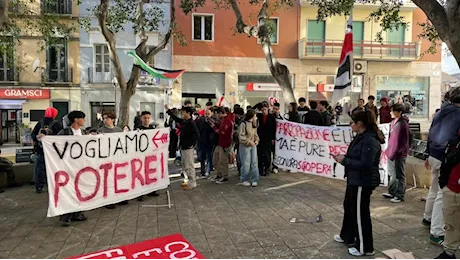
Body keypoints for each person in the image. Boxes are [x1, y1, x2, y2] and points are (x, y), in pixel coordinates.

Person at [333, 110, 384, 257]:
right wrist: (343, 158)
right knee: (349, 207)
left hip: (363, 181)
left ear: (360, 124)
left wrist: (345, 160)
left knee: (360, 213)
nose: (350, 125)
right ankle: (347, 236)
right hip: (355, 179)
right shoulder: (361, 136)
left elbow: (365, 164)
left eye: (352, 122)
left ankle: (365, 247)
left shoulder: (369, 140)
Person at [423, 87, 460, 246]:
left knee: (434, 189)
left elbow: (431, 132)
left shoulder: (440, 112)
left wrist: (427, 154)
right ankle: (437, 232)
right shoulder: (458, 114)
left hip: (434, 154)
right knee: (441, 194)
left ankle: (428, 218)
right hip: (444, 156)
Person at [57, 110, 88, 227]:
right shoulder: (64, 132)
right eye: (82, 118)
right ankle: (65, 217)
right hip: (67, 167)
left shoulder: (84, 133)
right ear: (76, 119)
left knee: (79, 191)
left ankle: (77, 213)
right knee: (67, 191)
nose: (84, 120)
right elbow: (55, 144)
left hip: (80, 167)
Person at [433, 130, 460, 260]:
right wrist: (444, 184)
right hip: (452, 188)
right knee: (451, 225)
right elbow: (446, 161)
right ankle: (449, 253)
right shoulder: (455, 138)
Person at [166, 105, 200, 190]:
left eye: (184, 112)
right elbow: (177, 119)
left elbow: (197, 135)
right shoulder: (185, 121)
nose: (182, 113)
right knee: (185, 165)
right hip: (183, 146)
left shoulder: (191, 123)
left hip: (188, 147)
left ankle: (193, 183)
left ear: (188, 113)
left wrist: (191, 143)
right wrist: (169, 111)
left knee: (189, 165)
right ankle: (188, 180)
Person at [97, 111, 127, 209]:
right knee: (108, 180)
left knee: (117, 178)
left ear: (113, 119)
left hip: (117, 158)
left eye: (107, 118)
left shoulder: (118, 130)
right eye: (104, 118)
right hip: (106, 158)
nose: (105, 120)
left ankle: (118, 197)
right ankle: (108, 200)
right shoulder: (100, 130)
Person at [382, 104, 410, 203]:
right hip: (391, 152)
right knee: (392, 174)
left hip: (399, 154)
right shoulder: (393, 123)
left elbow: (404, 141)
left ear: (399, 112)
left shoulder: (403, 124)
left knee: (399, 175)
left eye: (392, 111)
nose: (390, 113)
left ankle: (399, 194)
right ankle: (392, 191)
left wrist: (399, 151)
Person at [32, 107, 62, 193]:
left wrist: (38, 138)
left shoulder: (39, 123)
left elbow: (33, 135)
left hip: (41, 149)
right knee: (54, 167)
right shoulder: (57, 123)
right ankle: (53, 185)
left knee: (40, 168)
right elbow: (60, 137)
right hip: (53, 150)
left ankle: (39, 186)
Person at [136, 111, 160, 199]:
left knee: (151, 173)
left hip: (151, 155)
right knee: (141, 174)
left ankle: (151, 190)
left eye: (148, 118)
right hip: (141, 156)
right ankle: (140, 193)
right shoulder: (137, 129)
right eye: (145, 118)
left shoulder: (152, 129)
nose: (146, 120)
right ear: (141, 118)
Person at [210, 107, 234, 184]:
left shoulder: (228, 120)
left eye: (217, 113)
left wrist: (214, 127)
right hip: (220, 142)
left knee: (223, 160)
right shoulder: (223, 120)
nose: (216, 115)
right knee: (215, 159)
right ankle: (219, 174)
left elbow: (223, 132)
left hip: (225, 143)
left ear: (220, 113)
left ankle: (225, 176)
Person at [238, 109, 260, 187]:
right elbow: (241, 137)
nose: (256, 118)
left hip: (253, 145)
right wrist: (249, 141)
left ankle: (254, 179)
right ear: (251, 116)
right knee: (246, 163)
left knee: (254, 162)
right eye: (255, 116)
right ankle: (244, 179)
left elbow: (255, 134)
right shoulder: (243, 124)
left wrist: (256, 140)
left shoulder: (254, 124)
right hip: (245, 146)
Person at [257, 103, 276, 176]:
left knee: (267, 154)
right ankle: (260, 169)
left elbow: (274, 128)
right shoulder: (259, 116)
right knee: (260, 154)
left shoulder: (271, 117)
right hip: (260, 138)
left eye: (265, 109)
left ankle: (267, 168)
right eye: (262, 110)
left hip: (268, 138)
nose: (264, 111)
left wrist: (273, 138)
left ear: (268, 109)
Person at [196, 109, 214, 178]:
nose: (207, 115)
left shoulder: (212, 121)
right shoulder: (200, 120)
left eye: (208, 113)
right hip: (201, 142)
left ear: (211, 114)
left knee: (209, 157)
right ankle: (202, 171)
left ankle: (208, 170)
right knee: (202, 158)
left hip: (209, 142)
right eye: (206, 113)